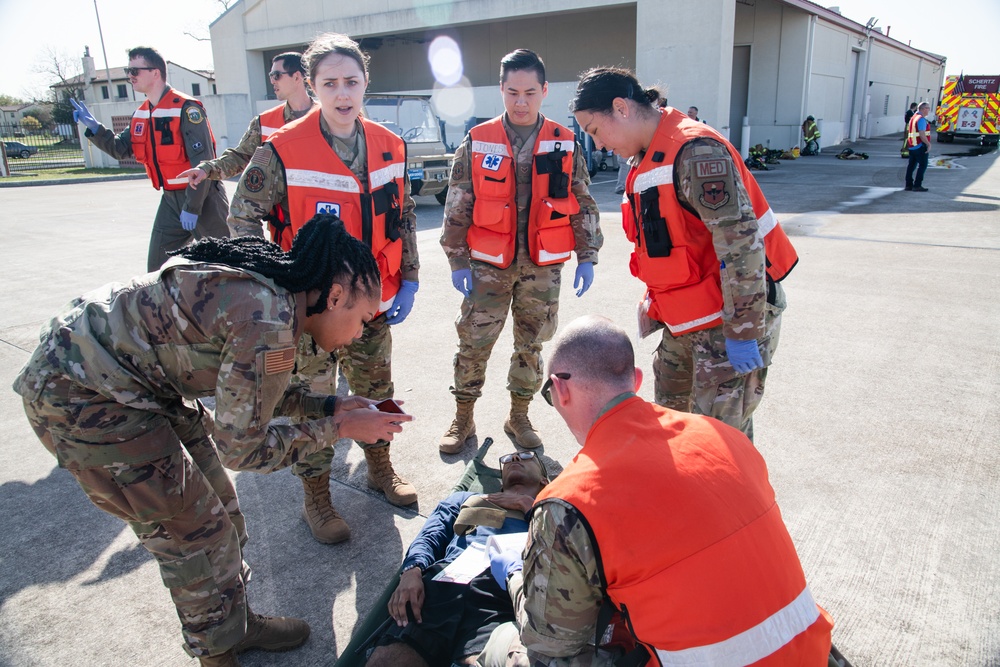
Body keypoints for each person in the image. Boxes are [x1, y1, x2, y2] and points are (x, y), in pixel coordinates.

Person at [12, 215, 414, 667]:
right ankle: (217, 655)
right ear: (335, 295)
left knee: (223, 513)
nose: (361, 333)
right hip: (81, 395)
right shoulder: (268, 321)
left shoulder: (277, 295)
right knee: (194, 537)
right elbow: (242, 449)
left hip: (131, 382)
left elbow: (250, 388)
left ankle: (234, 625)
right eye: (361, 319)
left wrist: (331, 408)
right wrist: (340, 430)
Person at [488, 315, 834, 666]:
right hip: (813, 653)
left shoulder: (570, 501)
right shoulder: (725, 436)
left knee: (503, 644)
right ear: (636, 381)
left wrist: (517, 576)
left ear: (560, 389)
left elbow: (552, 647)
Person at [227, 33, 420, 542]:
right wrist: (276, 281)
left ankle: (381, 469)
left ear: (365, 85)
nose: (342, 93)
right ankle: (317, 496)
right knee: (315, 400)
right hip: (312, 310)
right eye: (329, 82)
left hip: (371, 304)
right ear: (311, 86)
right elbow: (242, 216)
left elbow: (403, 216)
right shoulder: (281, 149)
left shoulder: (389, 144)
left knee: (376, 390)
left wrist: (411, 277)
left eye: (351, 81)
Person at [569, 67, 796, 439]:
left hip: (728, 324)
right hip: (684, 323)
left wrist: (743, 331)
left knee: (721, 442)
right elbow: (669, 242)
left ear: (621, 108)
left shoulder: (695, 151)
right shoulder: (644, 159)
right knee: (675, 431)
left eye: (595, 131)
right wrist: (655, 297)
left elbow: (741, 245)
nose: (598, 145)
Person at [439, 49, 602, 454]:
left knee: (531, 344)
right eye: (512, 92)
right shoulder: (478, 141)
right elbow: (458, 200)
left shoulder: (565, 142)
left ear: (544, 90)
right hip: (488, 264)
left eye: (530, 91)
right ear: (501, 90)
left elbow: (581, 199)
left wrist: (588, 253)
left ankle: (519, 415)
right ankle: (462, 417)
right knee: (474, 343)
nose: (521, 101)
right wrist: (457, 257)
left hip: (542, 265)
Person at [366, 450, 548, 667]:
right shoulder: (468, 499)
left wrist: (530, 509)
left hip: (502, 596)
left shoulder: (552, 514)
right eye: (507, 459)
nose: (515, 459)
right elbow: (432, 533)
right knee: (389, 660)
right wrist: (412, 571)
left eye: (527, 456)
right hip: (444, 585)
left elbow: (562, 554)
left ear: (545, 481)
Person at [70, 46, 230, 272]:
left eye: (135, 70)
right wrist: (95, 128)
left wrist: (193, 207)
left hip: (203, 198)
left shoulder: (186, 108)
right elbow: (120, 149)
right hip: (170, 201)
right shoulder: (141, 113)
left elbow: (202, 162)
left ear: (156, 73)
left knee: (226, 266)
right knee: (156, 270)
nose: (130, 76)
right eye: (128, 70)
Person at [179, 52, 316, 191]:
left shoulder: (328, 118)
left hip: (322, 204)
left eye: (276, 75)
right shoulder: (264, 122)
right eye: (270, 76)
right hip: (283, 208)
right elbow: (240, 157)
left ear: (297, 77)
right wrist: (206, 169)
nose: (272, 81)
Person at [905, 102, 932, 192]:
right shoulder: (921, 119)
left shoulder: (914, 117)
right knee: (923, 165)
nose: (928, 110)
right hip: (920, 146)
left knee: (911, 166)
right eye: (927, 108)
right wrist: (928, 144)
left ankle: (908, 185)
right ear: (923, 109)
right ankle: (917, 185)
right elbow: (922, 134)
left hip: (912, 145)